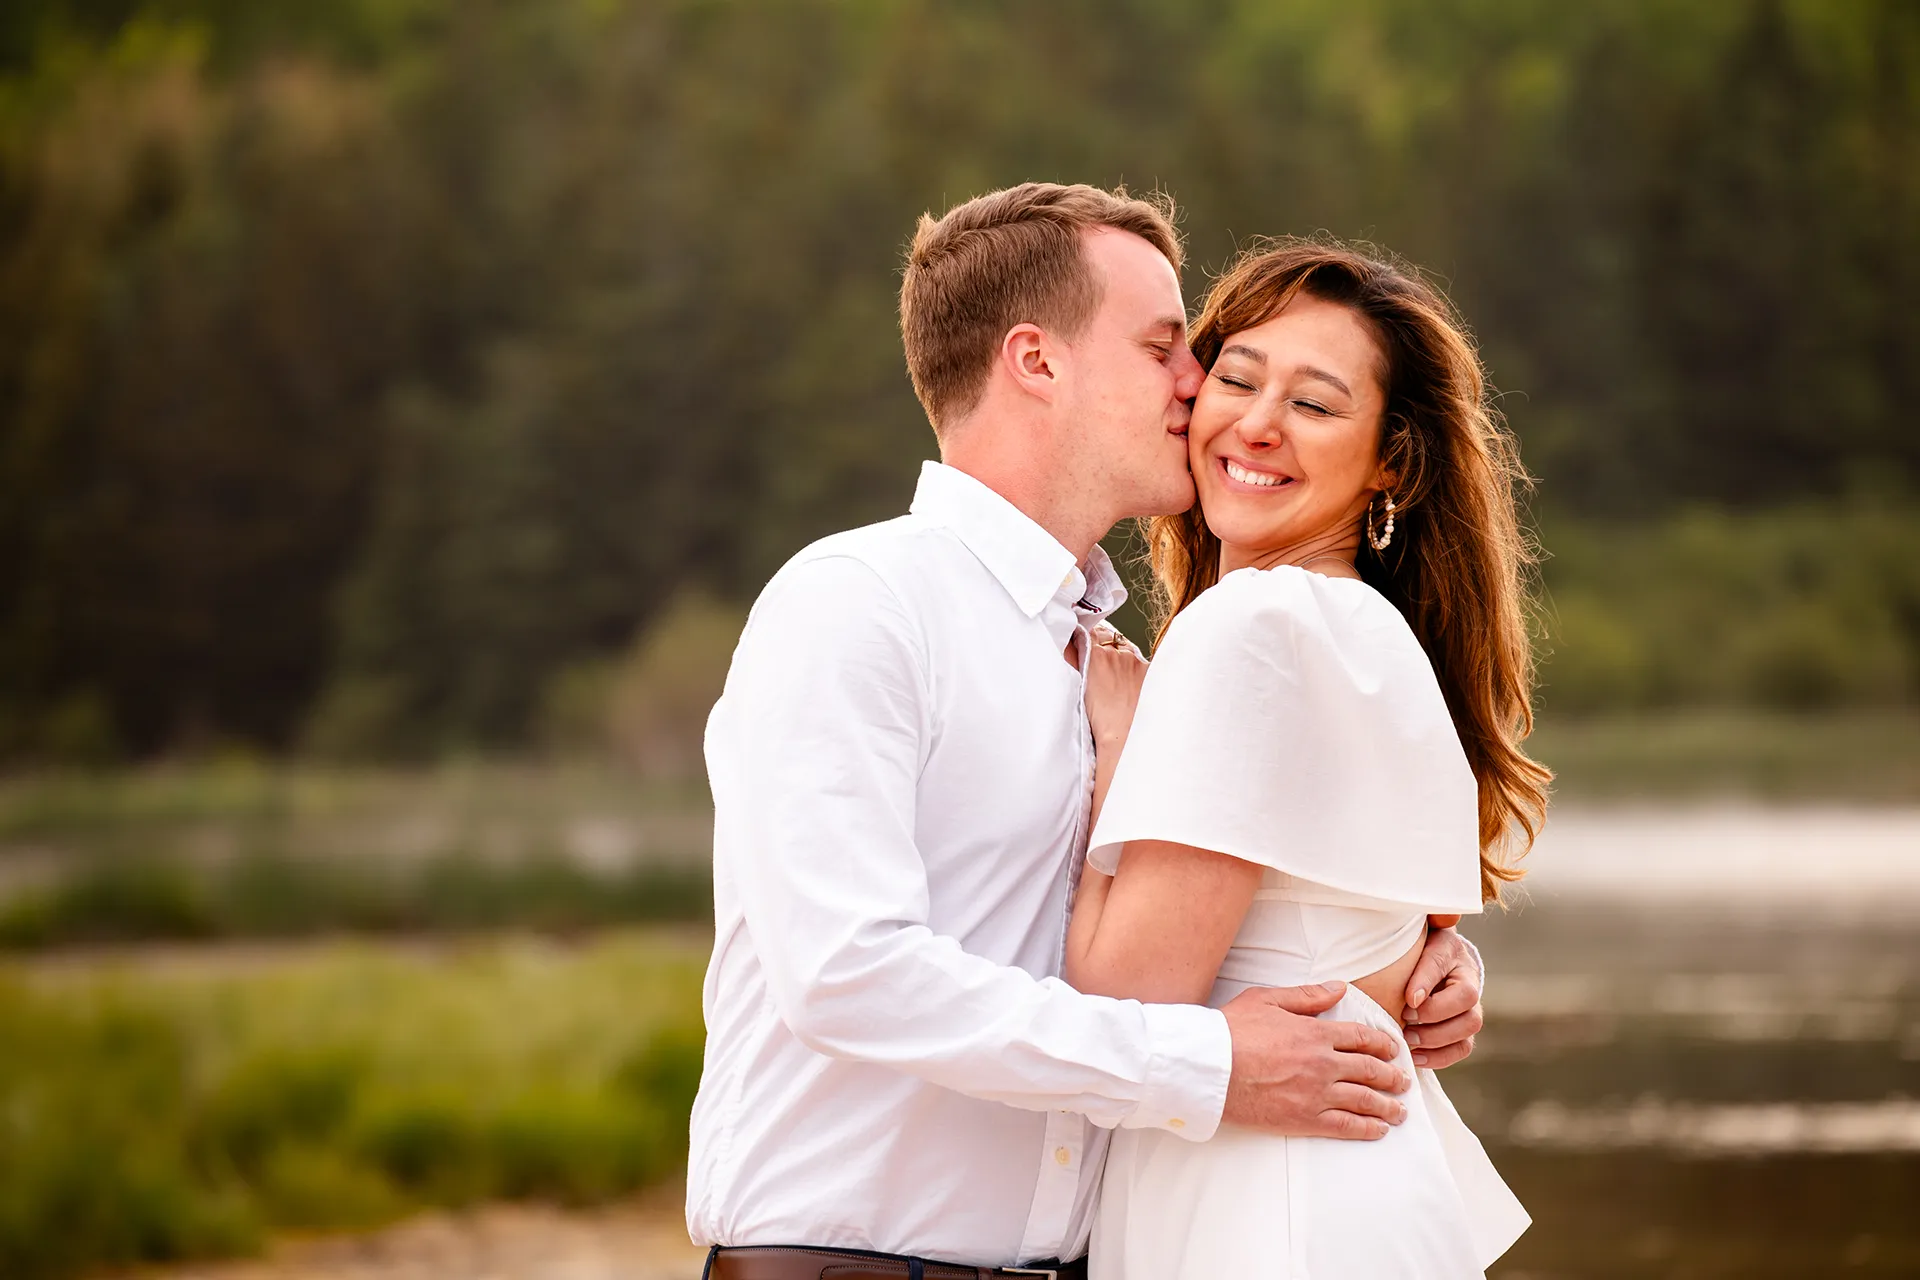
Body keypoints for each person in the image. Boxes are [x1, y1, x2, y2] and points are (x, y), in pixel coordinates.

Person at [688, 184, 1489, 1280]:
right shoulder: (861, 602)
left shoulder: (1128, 665)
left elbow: (1227, 901)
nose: (1199, 385)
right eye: (1170, 347)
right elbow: (844, 969)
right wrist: (1208, 1061)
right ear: (1038, 360)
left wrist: (1394, 961)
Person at [1065, 239, 1549, 1278]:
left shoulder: (1248, 627)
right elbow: (1373, 946)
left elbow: (1121, 1003)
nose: (1256, 422)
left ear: (1391, 458)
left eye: (1317, 405)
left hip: (1261, 1205)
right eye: (1235, 378)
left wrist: (1116, 746)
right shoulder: (1380, 637)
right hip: (1366, 1190)